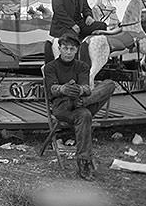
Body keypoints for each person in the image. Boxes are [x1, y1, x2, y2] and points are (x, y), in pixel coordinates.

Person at [43, 30, 116, 180]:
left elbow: (87, 88)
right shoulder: (50, 67)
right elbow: (52, 89)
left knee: (109, 84)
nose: (68, 52)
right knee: (84, 113)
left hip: (81, 103)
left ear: (76, 50)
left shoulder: (82, 66)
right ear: (60, 48)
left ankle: (84, 161)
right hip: (62, 106)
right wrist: (63, 89)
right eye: (65, 48)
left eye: (72, 49)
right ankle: (84, 163)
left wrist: (80, 90)